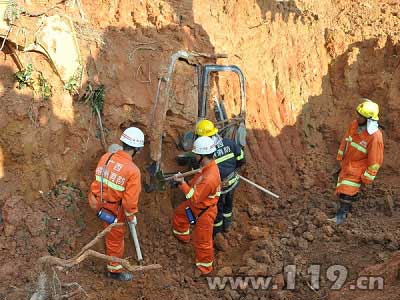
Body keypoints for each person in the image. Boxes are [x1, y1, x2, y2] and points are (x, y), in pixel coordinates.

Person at [88, 127, 144, 281]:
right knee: (115, 239)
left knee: (110, 233)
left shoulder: (106, 157)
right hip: (112, 209)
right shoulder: (133, 171)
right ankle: (114, 271)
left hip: (96, 202)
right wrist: (131, 216)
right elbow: (129, 202)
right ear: (137, 149)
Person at [172, 136, 221, 275]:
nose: (194, 156)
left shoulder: (209, 178)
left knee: (203, 241)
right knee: (180, 214)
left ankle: (204, 267)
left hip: (204, 212)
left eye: (196, 154)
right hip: (198, 206)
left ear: (202, 156)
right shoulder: (207, 167)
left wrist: (182, 184)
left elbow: (193, 198)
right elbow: (196, 185)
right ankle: (183, 237)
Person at [329, 99, 384, 225]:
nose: (357, 117)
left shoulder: (375, 137)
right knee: (341, 186)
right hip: (348, 164)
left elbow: (375, 160)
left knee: (346, 190)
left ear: (368, 119)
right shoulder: (354, 124)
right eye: (358, 114)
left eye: (361, 116)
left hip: (358, 168)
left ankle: (341, 216)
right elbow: (345, 141)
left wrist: (367, 178)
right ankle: (348, 203)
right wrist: (340, 158)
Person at [195, 119, 245, 235]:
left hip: (217, 187)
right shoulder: (229, 143)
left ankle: (217, 233)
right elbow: (241, 159)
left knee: (217, 208)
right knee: (228, 205)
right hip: (232, 181)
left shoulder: (206, 152)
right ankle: (226, 226)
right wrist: (232, 169)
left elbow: (201, 169)